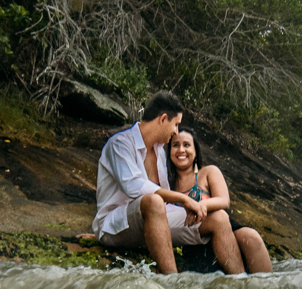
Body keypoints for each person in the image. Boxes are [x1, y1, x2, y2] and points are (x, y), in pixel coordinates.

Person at [92, 91, 205, 275]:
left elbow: (164, 202)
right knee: (153, 201)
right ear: (162, 119)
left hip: (154, 222)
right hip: (116, 225)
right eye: (175, 124)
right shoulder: (119, 144)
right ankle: (173, 281)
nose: (176, 131)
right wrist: (183, 199)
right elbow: (135, 187)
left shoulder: (159, 151)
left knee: (216, 219)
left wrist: (193, 206)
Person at [165, 127, 272, 274]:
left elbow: (224, 200)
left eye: (187, 145)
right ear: (169, 151)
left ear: (196, 151)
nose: (181, 150)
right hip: (194, 237)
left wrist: (200, 205)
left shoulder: (208, 172)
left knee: (251, 237)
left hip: (223, 226)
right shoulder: (166, 181)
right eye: (175, 145)